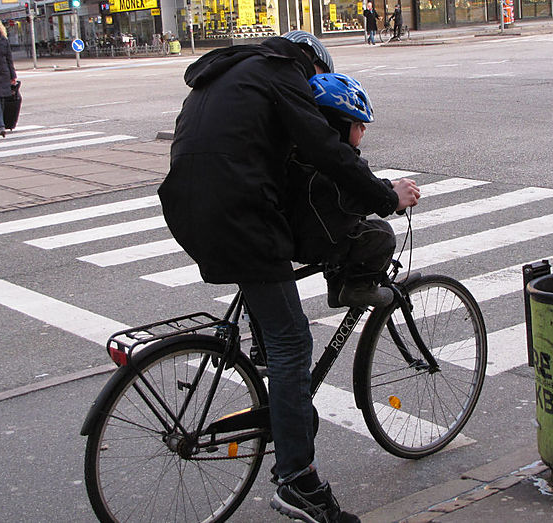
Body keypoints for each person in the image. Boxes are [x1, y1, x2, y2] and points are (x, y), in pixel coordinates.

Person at [158, 30, 419, 523]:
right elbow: (325, 149)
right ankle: (298, 481)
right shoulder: (282, 73)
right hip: (239, 214)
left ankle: (272, 375)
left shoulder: (231, 72)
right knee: (293, 342)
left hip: (188, 206)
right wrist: (386, 197)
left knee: (273, 322)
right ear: (312, 65)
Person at [286, 72, 397, 308]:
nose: (364, 130)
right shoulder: (329, 165)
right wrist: (391, 196)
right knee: (381, 235)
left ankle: (338, 287)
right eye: (358, 124)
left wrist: (385, 188)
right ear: (337, 126)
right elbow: (352, 196)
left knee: (347, 231)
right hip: (309, 241)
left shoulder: (302, 155)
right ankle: (359, 288)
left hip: (297, 233)